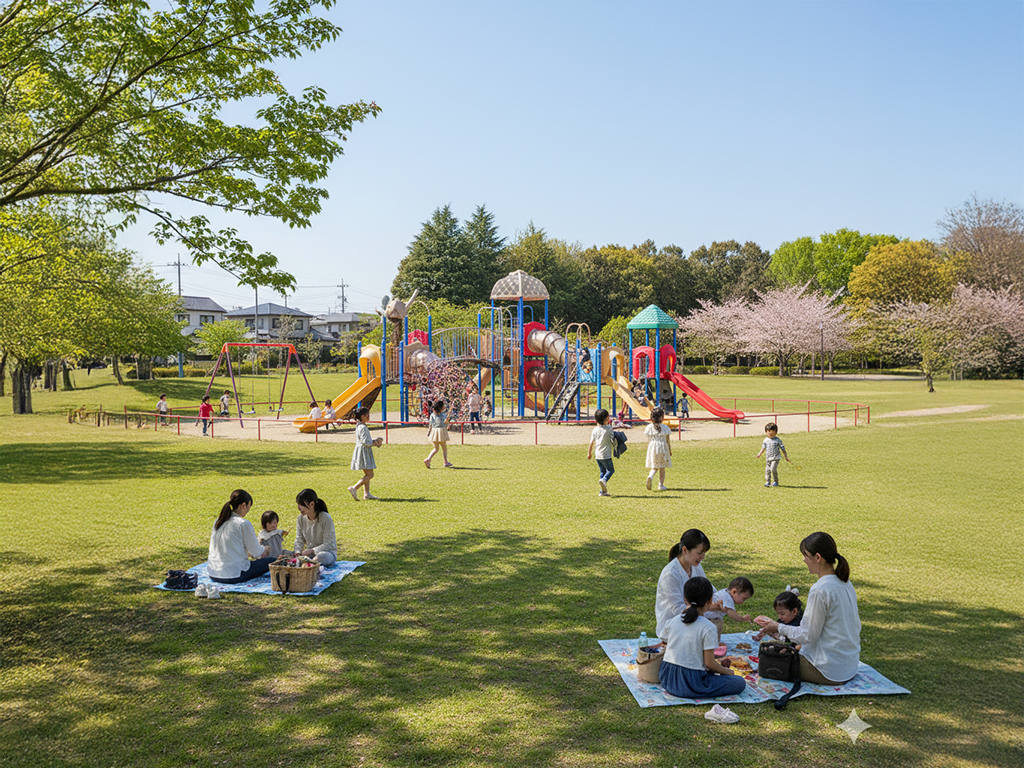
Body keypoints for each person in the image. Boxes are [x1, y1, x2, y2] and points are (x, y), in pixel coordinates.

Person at [753, 532, 861, 685]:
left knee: (767, 662)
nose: (804, 560)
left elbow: (807, 635)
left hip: (828, 670)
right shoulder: (844, 582)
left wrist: (778, 627)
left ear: (818, 557)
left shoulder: (821, 589)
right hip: (848, 666)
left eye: (806, 556)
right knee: (783, 650)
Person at [658, 576, 747, 699]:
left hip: (667, 678)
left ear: (685, 600)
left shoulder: (673, 621)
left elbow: (665, 641)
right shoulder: (708, 627)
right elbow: (709, 663)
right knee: (739, 683)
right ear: (710, 601)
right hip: (692, 683)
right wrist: (727, 672)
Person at [655, 529, 723, 639]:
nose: (703, 557)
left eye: (704, 553)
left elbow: (708, 589)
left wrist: (725, 598)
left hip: (692, 623)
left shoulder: (695, 566)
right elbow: (678, 609)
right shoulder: (670, 574)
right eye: (700, 553)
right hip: (672, 629)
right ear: (685, 550)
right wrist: (709, 607)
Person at [207, 489, 276, 583]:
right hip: (234, 574)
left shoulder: (219, 520)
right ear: (243, 505)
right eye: (248, 507)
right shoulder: (243, 524)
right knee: (272, 561)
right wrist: (266, 549)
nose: (248, 511)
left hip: (213, 573)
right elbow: (257, 552)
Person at [293, 488, 337, 566]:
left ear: (312, 504)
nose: (299, 508)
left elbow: (329, 544)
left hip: (327, 553)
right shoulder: (300, 518)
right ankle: (309, 563)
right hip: (309, 555)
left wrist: (312, 550)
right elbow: (299, 538)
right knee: (286, 554)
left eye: (302, 505)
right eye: (298, 504)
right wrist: (297, 551)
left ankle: (311, 564)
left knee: (320, 557)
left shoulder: (325, 518)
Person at [703, 577, 754, 642]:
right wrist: (742, 618)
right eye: (744, 598)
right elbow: (732, 614)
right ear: (734, 592)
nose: (744, 601)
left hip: (704, 615)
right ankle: (714, 644)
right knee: (717, 627)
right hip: (709, 618)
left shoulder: (725, 592)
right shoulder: (727, 598)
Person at [348, 406, 383, 500]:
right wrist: (375, 442)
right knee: (370, 474)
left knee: (367, 473)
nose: (368, 417)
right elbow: (365, 442)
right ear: (362, 416)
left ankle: (367, 494)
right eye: (367, 415)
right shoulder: (362, 427)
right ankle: (354, 488)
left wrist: (374, 441)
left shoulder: (360, 425)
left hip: (363, 451)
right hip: (364, 452)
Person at [586, 408, 615, 497]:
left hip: (597, 455)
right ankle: (604, 480)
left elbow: (591, 442)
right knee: (610, 470)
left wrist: (589, 453)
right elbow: (613, 439)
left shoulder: (595, 430)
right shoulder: (609, 428)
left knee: (602, 471)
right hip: (606, 454)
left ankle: (602, 492)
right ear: (606, 418)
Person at [644, 407, 672, 491]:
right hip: (662, 447)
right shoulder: (665, 427)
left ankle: (650, 476)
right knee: (662, 467)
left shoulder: (649, 427)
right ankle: (661, 485)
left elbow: (648, 437)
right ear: (661, 417)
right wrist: (670, 450)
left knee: (655, 466)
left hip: (652, 447)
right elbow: (667, 441)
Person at [755, 422, 791, 487]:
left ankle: (775, 481)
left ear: (775, 432)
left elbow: (783, 448)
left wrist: (786, 456)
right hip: (768, 458)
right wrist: (759, 454)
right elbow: (763, 448)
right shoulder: (765, 440)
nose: (770, 433)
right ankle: (768, 481)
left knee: (773, 469)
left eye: (772, 431)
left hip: (775, 458)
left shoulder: (778, 440)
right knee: (767, 470)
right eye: (768, 431)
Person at [424, 399, 453, 469]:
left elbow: (430, 425)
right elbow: (444, 423)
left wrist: (429, 432)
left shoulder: (432, 415)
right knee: (444, 448)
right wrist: (448, 419)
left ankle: (428, 459)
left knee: (436, 449)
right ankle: (445, 462)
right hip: (440, 432)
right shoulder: (441, 415)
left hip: (434, 432)